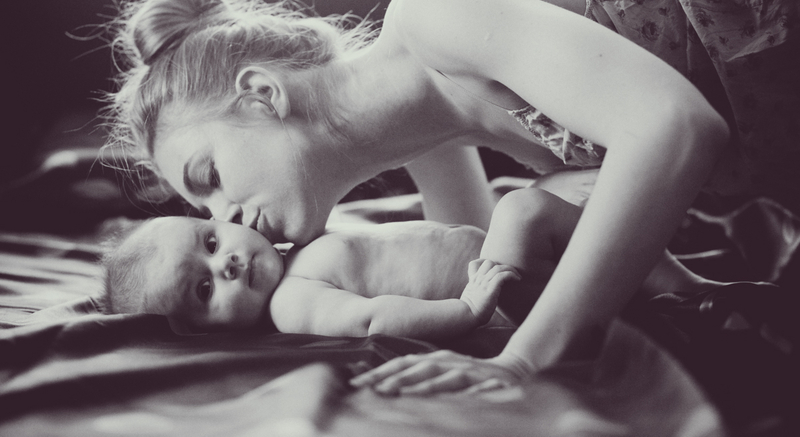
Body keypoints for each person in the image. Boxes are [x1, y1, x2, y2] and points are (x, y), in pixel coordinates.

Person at [103, 0, 799, 393]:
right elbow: (485, 272)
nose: (225, 216)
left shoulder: (438, 10)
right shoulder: (424, 135)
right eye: (203, 211)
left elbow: (675, 127)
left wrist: (522, 361)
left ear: (261, 93)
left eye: (209, 177)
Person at [100, 187, 720, 339]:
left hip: (507, 272)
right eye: (204, 290)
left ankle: (691, 287)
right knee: (524, 209)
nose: (228, 265)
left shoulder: (293, 253)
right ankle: (687, 289)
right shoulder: (292, 304)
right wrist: (466, 311)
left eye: (210, 243)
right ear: (206, 332)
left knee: (571, 207)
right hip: (503, 296)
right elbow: (372, 318)